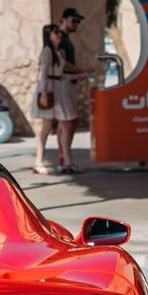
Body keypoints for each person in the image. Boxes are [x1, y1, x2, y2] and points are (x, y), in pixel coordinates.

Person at [34, 11, 86, 174]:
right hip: (49, 90)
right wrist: (43, 92)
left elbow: (60, 74)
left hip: (56, 89)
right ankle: (39, 161)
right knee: (47, 126)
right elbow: (44, 73)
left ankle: (66, 161)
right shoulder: (47, 52)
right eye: (55, 32)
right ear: (49, 35)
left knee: (65, 123)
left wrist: (79, 75)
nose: (59, 34)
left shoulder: (57, 53)